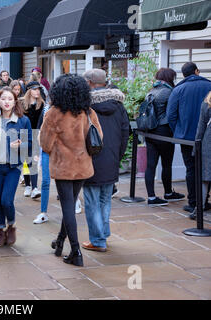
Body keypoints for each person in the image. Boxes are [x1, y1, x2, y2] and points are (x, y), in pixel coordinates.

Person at [40, 74, 103, 267]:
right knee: (71, 204)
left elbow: (45, 143)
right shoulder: (88, 111)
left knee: (68, 207)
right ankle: (60, 242)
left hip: (64, 167)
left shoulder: (54, 113)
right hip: (83, 165)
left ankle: (75, 251)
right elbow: (99, 137)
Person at [81, 69, 130, 252]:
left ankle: (98, 240)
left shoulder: (85, 106)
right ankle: (103, 234)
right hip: (111, 159)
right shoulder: (118, 105)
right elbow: (125, 132)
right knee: (105, 200)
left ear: (89, 82)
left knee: (92, 201)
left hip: (91, 158)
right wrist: (117, 155)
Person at [0, 87, 32, 247]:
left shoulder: (23, 120)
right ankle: (1, 231)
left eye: (10, 99)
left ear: (15, 101)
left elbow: (31, 144)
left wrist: (21, 145)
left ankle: (11, 226)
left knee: (6, 200)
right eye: (3, 99)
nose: (7, 102)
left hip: (13, 167)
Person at [167, 62, 211, 213]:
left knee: (191, 169)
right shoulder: (209, 86)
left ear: (183, 74)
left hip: (186, 137)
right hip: (207, 136)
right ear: (197, 71)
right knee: (207, 168)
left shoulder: (178, 89)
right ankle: (204, 200)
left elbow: (171, 115)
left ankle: (194, 202)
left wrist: (179, 130)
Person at [142, 68, 186, 206]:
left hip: (150, 131)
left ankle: (151, 197)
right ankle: (168, 193)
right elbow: (173, 113)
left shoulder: (151, 91)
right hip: (164, 131)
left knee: (151, 165)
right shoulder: (169, 92)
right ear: (169, 78)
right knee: (166, 164)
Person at [20, 81, 43, 199]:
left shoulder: (42, 105)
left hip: (36, 135)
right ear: (29, 91)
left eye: (38, 89)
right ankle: (28, 185)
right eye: (35, 89)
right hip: (24, 135)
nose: (37, 91)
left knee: (33, 160)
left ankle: (35, 188)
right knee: (26, 162)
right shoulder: (22, 104)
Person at [191, 92, 211, 220]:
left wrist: (196, 147)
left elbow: (201, 127)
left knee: (205, 177)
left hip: (207, 143)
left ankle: (198, 209)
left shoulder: (207, 103)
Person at [33, 102, 51, 224]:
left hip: (63, 151)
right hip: (46, 149)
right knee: (45, 181)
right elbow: (39, 129)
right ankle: (43, 212)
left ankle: (75, 204)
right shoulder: (47, 108)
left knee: (67, 182)